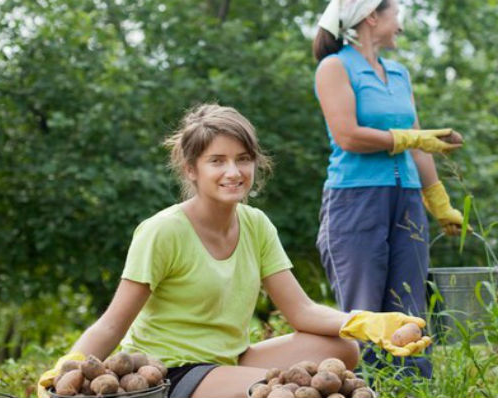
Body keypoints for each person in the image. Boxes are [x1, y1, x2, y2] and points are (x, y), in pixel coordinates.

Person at [37, 104, 431, 398]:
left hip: (232, 359)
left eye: (243, 159)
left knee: (341, 348)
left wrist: (369, 323)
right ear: (192, 169)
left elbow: (302, 312)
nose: (234, 172)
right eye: (217, 161)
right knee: (283, 392)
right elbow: (111, 325)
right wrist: (63, 371)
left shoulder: (256, 225)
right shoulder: (162, 231)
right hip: (170, 372)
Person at [312, 0, 466, 378]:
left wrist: (438, 199)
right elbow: (347, 135)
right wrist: (407, 137)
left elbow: (420, 142)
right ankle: (365, 386)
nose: (400, 24)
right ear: (371, 17)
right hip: (355, 199)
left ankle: (411, 386)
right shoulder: (335, 67)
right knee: (364, 308)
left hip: (407, 199)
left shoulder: (398, 74)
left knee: (409, 305)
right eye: (395, 13)